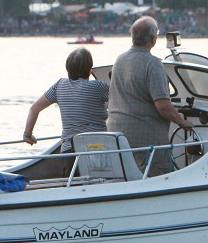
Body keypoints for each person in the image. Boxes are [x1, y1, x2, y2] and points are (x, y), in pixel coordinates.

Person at [106, 16, 192, 176]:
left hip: (117, 135)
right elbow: (163, 105)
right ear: (153, 39)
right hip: (146, 139)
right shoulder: (152, 64)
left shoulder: (120, 59)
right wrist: (182, 122)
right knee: (159, 177)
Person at [23, 47, 109, 175]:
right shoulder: (98, 87)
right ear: (90, 69)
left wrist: (27, 135)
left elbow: (34, 109)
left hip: (69, 152)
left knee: (73, 187)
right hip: (96, 150)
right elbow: (122, 102)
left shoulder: (59, 86)